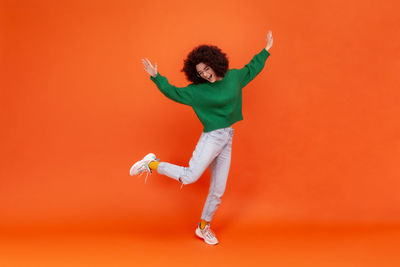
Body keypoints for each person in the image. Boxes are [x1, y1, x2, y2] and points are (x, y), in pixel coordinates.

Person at [130, 31, 273, 245]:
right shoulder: (197, 91)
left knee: (218, 190)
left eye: (207, 68)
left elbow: (251, 69)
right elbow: (173, 92)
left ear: (215, 62)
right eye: (200, 72)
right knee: (189, 177)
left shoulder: (234, 77)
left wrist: (266, 50)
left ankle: (203, 228)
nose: (205, 74)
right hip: (212, 137)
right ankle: (151, 163)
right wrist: (155, 76)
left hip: (227, 137)